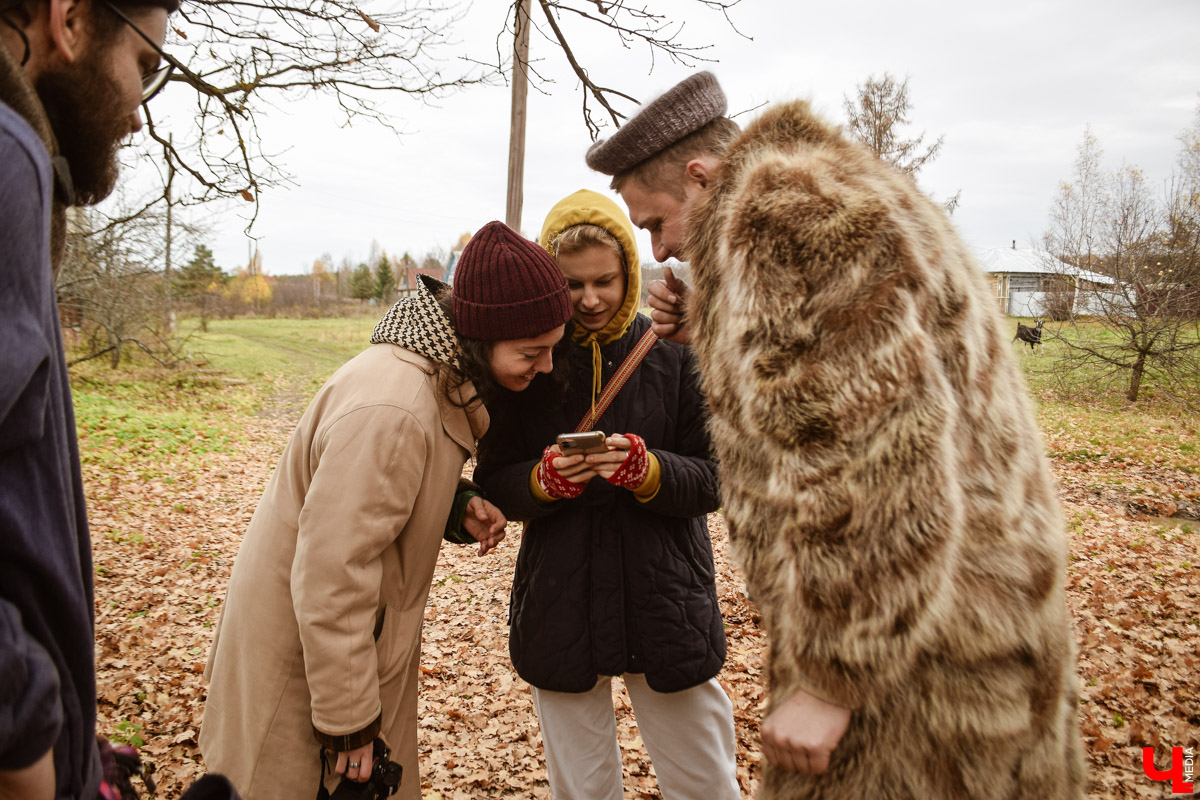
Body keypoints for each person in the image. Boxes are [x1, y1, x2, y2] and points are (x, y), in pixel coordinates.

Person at [585, 71, 1086, 798]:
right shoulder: (837, 189)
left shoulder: (777, 218)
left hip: (917, 663)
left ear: (701, 178)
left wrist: (833, 677)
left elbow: (877, 464)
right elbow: (855, 377)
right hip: (967, 615)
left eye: (656, 222)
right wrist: (720, 326)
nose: (661, 250)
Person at [199, 221, 573, 800]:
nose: (546, 366)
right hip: (308, 672)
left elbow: (378, 494)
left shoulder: (428, 378)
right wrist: (348, 724)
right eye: (532, 351)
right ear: (479, 335)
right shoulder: (395, 406)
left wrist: (457, 502)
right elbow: (333, 571)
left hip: (343, 657)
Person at [472, 189, 740, 800]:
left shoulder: (675, 355)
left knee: (704, 782)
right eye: (571, 285)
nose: (590, 300)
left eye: (606, 281)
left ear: (629, 271)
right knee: (583, 789)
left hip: (666, 598)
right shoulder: (530, 364)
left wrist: (649, 472)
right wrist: (541, 483)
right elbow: (495, 479)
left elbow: (716, 475)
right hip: (562, 596)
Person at [0, 0, 181, 796]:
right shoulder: (7, 158)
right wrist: (25, 729)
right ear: (68, 21)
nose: (140, 116)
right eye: (145, 65)